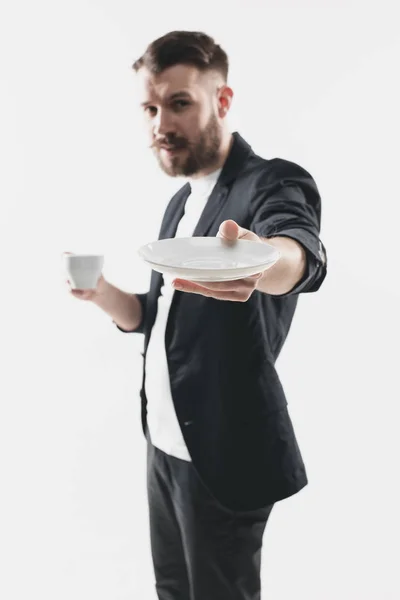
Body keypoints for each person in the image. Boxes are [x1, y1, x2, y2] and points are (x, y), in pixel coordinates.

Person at [66, 30, 327, 600]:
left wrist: (263, 264)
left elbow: (298, 249)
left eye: (180, 103)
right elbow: (158, 318)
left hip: (224, 455)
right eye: (151, 108)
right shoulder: (182, 202)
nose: (162, 125)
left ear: (222, 102)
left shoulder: (272, 181)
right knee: (173, 591)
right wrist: (102, 292)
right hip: (164, 443)